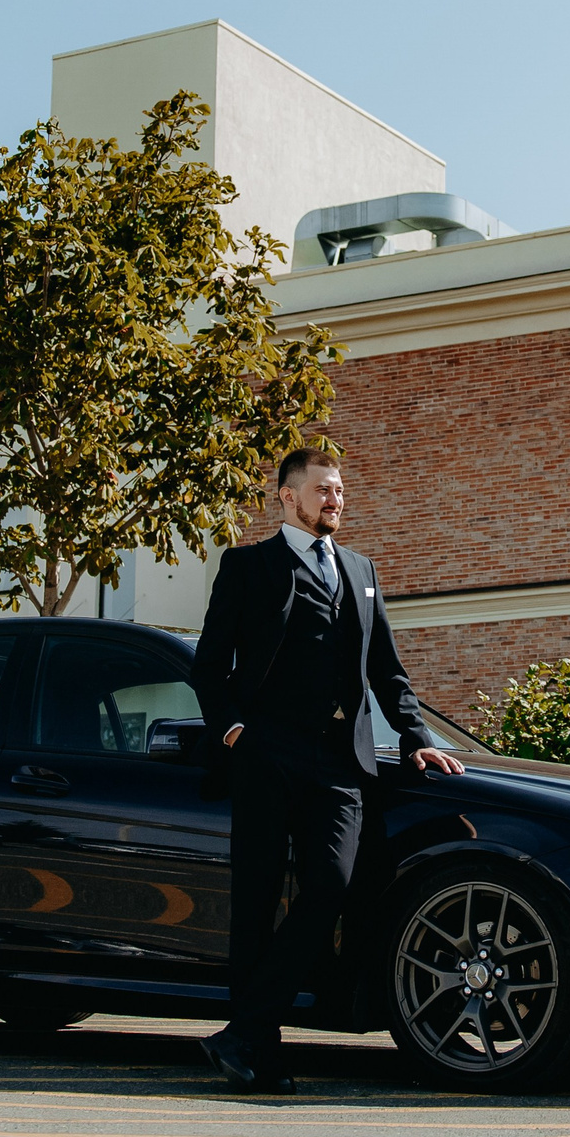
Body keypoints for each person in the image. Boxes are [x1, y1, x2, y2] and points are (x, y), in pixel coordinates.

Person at [190, 447, 462, 1094]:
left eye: (339, 491)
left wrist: (417, 737)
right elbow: (209, 667)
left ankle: (243, 1034)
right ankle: (257, 1050)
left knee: (332, 888)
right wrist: (234, 732)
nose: (335, 500)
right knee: (254, 907)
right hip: (266, 755)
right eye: (322, 490)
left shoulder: (361, 572)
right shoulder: (249, 565)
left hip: (341, 763)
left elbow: (387, 674)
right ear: (287, 496)